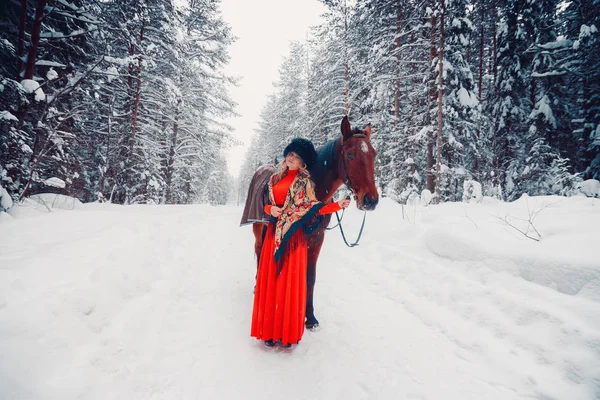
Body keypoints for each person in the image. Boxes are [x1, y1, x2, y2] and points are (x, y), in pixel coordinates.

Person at [250, 138, 350, 348]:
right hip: (272, 237)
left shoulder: (304, 183)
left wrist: (337, 205)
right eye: (289, 154)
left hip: (293, 239)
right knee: (272, 284)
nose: (291, 158)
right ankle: (269, 331)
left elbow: (314, 208)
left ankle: (285, 333)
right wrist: (271, 210)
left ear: (303, 163)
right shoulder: (275, 179)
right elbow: (267, 204)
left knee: (287, 284)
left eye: (296, 156)